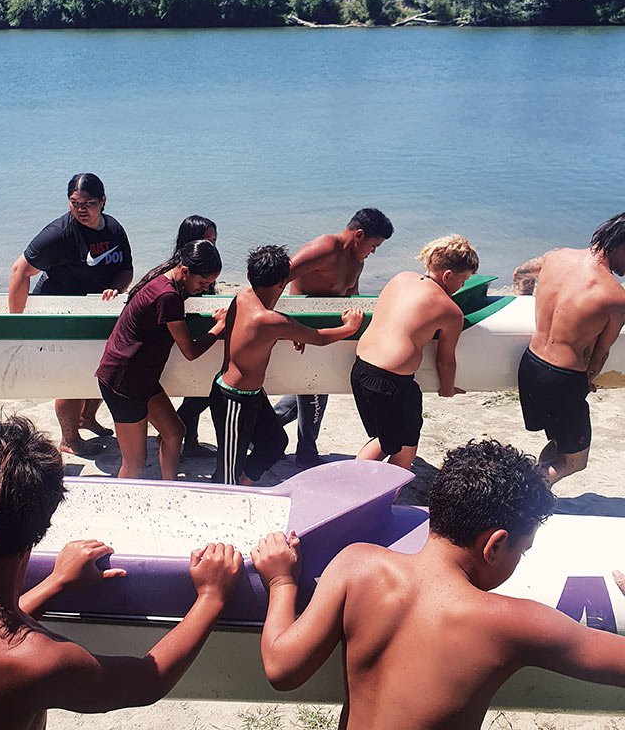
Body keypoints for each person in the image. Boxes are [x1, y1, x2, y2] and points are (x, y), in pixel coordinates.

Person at [251, 439, 625, 730]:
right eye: (522, 551)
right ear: (495, 546)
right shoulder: (512, 622)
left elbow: (282, 669)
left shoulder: (356, 564)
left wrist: (282, 581)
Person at [0, 415, 243, 730]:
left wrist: (55, 583)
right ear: (45, 522)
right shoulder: (39, 660)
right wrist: (212, 596)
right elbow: (147, 680)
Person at [210, 245, 362, 486]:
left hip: (253, 396)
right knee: (226, 471)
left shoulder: (243, 296)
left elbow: (266, 326)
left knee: (275, 442)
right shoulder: (271, 321)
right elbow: (319, 337)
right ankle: (225, 501)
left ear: (249, 276)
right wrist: (350, 328)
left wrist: (289, 333)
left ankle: (245, 482)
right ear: (283, 283)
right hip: (232, 399)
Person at [8, 173, 134, 455]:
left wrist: (115, 288)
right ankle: (69, 440)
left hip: (94, 308)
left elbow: (126, 269)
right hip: (58, 309)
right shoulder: (59, 234)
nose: (81, 209)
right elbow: (19, 271)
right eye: (74, 203)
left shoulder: (113, 229)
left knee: (104, 368)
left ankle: (87, 418)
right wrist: (15, 323)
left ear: (103, 201)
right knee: (73, 374)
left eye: (88, 203)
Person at [96, 240, 227, 480]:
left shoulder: (164, 280)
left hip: (141, 378)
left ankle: (170, 487)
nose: (204, 288)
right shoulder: (168, 297)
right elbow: (191, 351)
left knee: (175, 432)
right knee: (134, 463)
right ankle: (120, 508)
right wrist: (219, 327)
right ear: (185, 271)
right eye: (202, 282)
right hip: (122, 382)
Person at [274, 209, 394, 466]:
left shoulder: (358, 262)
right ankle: (306, 454)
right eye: (374, 245)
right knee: (314, 391)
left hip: (328, 335)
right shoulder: (324, 248)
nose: (373, 251)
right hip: (304, 334)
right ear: (359, 235)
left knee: (311, 391)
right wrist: (291, 324)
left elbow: (353, 299)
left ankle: (261, 433)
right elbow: (277, 278)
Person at [514, 213, 625, 484]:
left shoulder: (555, 258)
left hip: (529, 365)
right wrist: (587, 380)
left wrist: (523, 299)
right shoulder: (615, 296)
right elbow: (599, 355)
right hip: (562, 381)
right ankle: (525, 492)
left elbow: (520, 274)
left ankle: (534, 483)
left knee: (557, 439)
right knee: (575, 461)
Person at [352, 234, 478, 469]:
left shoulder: (401, 278)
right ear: (447, 275)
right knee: (406, 447)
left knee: (383, 439)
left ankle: (353, 485)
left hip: (361, 370)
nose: (462, 287)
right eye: (462, 281)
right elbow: (445, 362)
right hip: (391, 384)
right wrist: (448, 390)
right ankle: (383, 497)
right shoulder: (450, 311)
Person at [172, 216, 219, 459]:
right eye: (206, 241)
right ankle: (174, 431)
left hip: (199, 336)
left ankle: (190, 441)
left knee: (198, 392)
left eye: (214, 241)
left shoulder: (205, 267)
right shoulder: (178, 272)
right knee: (202, 392)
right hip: (180, 340)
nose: (211, 247)